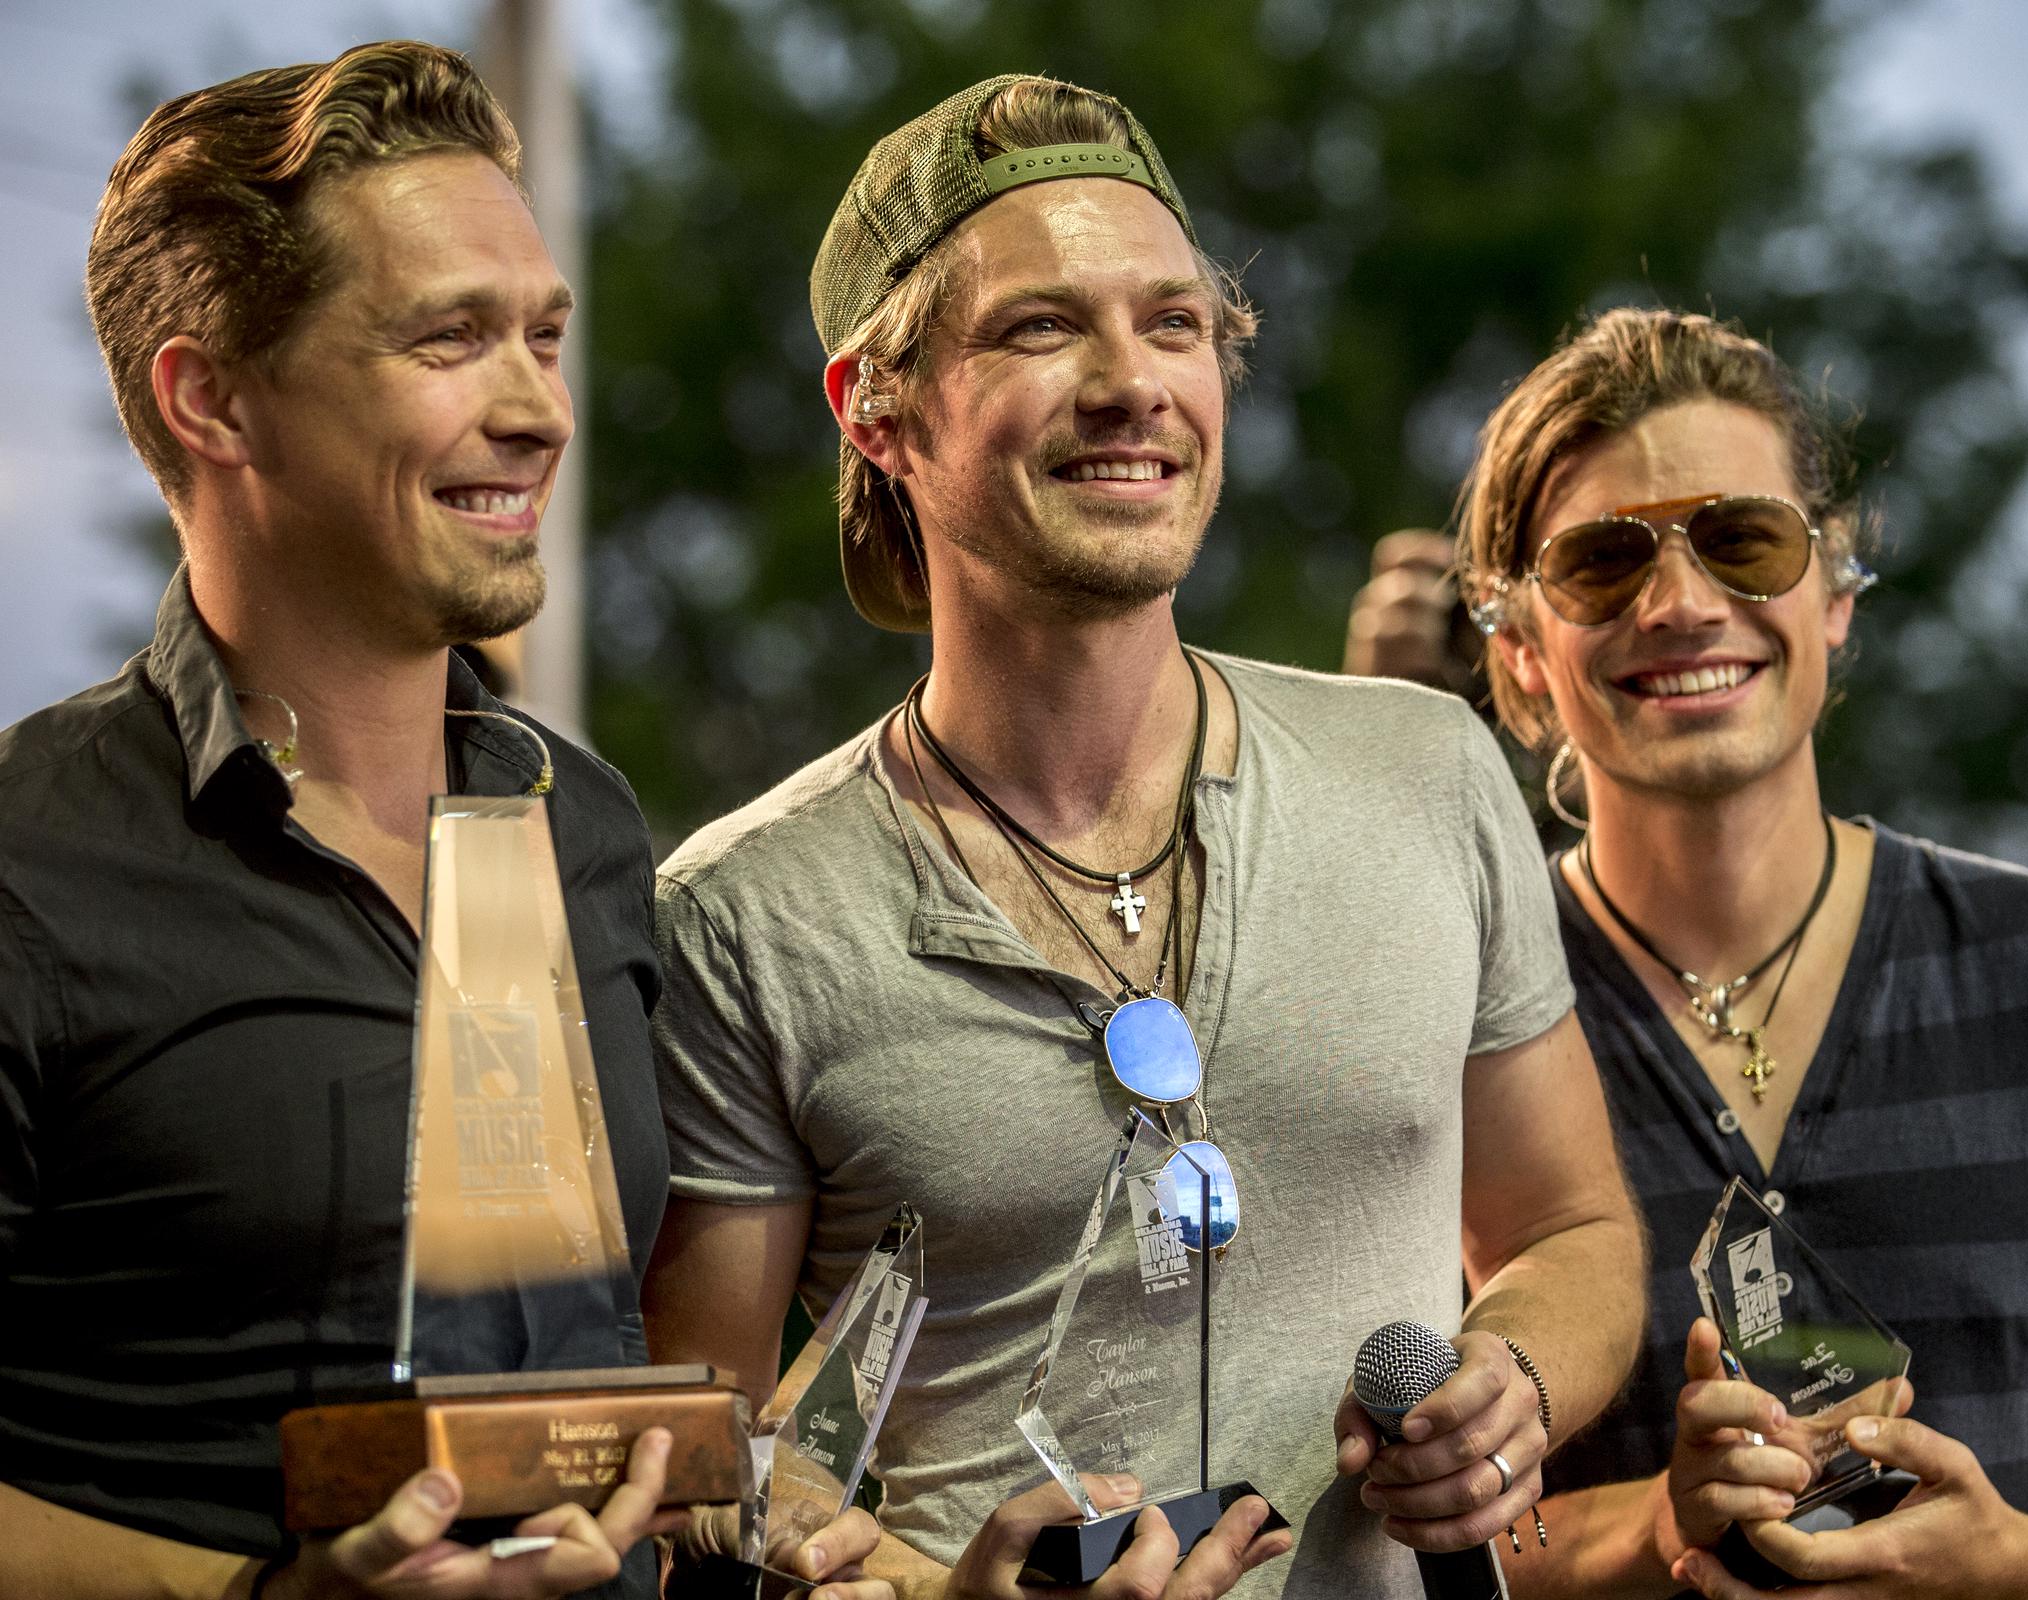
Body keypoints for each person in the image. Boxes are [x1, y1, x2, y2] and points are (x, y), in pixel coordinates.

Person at [638, 74, 1648, 1600]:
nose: (1134, 382)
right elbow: (693, 1472)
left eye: (1175, 324)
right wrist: (935, 1598)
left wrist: (1512, 1381)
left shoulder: (1429, 769)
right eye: (1043, 328)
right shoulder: (745, 911)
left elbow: (1574, 1228)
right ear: (877, 410)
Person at [0, 43, 885, 1600]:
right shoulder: (28, 860)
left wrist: (881, 1556)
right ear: (211, 398)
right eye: (449, 339)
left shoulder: (589, 830)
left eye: (545, 336)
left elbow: (628, 1400)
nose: (540, 408)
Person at [1350, 305, 2028, 1597]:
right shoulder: (1439, 1016)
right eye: (1603, 564)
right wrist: (1657, 1527)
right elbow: (1391, 1528)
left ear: (1835, 594)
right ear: (1520, 650)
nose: (1684, 602)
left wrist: (2024, 1562)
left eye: (1745, 541)